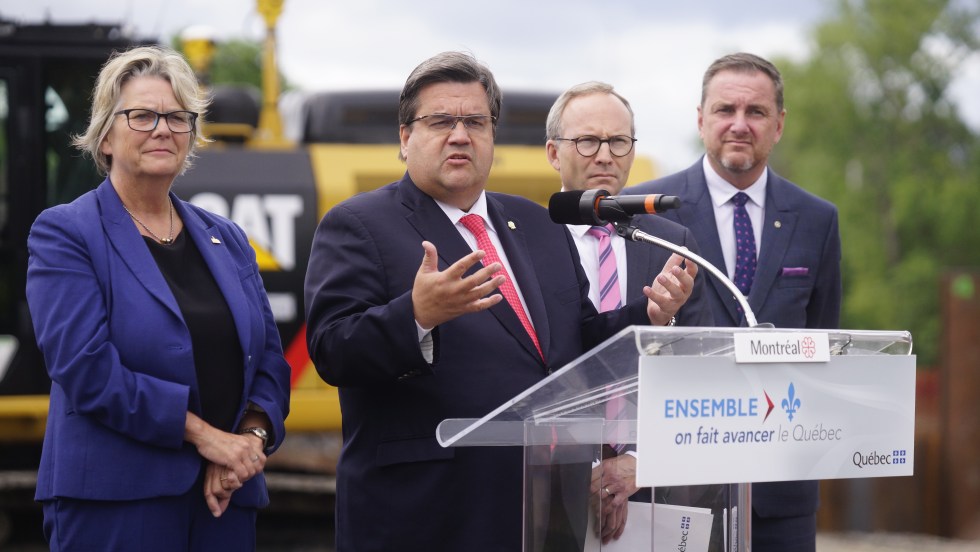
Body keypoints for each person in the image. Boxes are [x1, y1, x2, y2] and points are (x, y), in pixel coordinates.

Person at [304, 51, 695, 552]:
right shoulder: (358, 224)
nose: (460, 135)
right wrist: (417, 315)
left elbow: (576, 340)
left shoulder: (538, 222)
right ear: (405, 138)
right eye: (440, 121)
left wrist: (651, 315)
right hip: (428, 513)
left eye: (475, 122)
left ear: (493, 136)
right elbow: (332, 349)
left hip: (545, 510)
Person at [25, 45, 291, 551]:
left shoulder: (228, 237)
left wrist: (248, 441)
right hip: (118, 504)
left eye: (176, 117)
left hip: (226, 497)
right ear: (106, 136)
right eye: (143, 116)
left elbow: (269, 361)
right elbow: (86, 368)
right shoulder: (66, 233)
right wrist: (207, 438)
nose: (163, 129)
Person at [628, 52, 842, 552]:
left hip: (780, 492)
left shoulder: (817, 219)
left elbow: (823, 340)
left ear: (779, 124)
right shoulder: (645, 211)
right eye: (725, 110)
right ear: (700, 119)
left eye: (756, 112)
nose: (740, 125)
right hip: (674, 486)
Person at [545, 80, 714, 544]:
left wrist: (639, 462)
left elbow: (697, 371)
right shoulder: (528, 242)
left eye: (618, 141)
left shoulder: (671, 243)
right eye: (587, 141)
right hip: (550, 489)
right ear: (554, 153)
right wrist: (588, 470)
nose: (605, 156)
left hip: (653, 491)